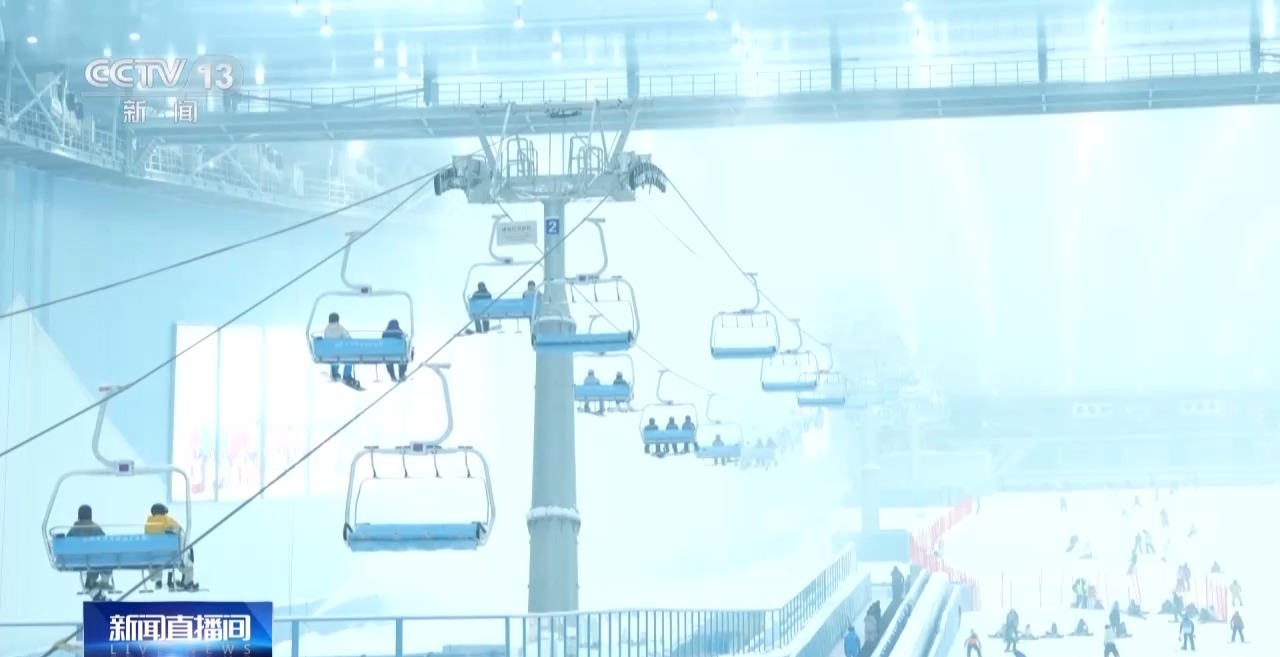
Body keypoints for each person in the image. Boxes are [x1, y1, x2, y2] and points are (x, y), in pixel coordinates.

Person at [144, 503, 198, 592]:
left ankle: (158, 581)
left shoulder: (148, 524)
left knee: (156, 558)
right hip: (171, 556)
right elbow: (180, 531)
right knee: (188, 565)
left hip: (155, 557)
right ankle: (188, 583)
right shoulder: (168, 520)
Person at [68, 504, 111, 600]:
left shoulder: (74, 529)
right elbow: (105, 541)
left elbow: (68, 543)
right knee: (104, 562)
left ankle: (93, 587)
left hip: (79, 558)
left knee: (92, 565)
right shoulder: (95, 528)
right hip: (96, 558)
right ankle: (104, 582)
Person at [322, 313, 358, 386]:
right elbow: (348, 338)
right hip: (341, 351)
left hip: (330, 352)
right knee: (349, 359)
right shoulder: (340, 327)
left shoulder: (326, 329)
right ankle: (346, 376)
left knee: (334, 360)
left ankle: (334, 373)